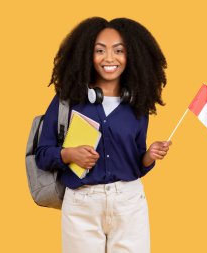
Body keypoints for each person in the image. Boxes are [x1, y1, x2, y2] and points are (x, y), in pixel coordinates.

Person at [35, 17, 171, 253]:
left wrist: (149, 155)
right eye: (100, 51)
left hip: (129, 202)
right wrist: (69, 154)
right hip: (81, 203)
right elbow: (42, 154)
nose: (109, 58)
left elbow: (136, 165)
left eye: (119, 51)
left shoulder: (137, 105)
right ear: (86, 55)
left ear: (133, 56)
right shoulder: (67, 100)